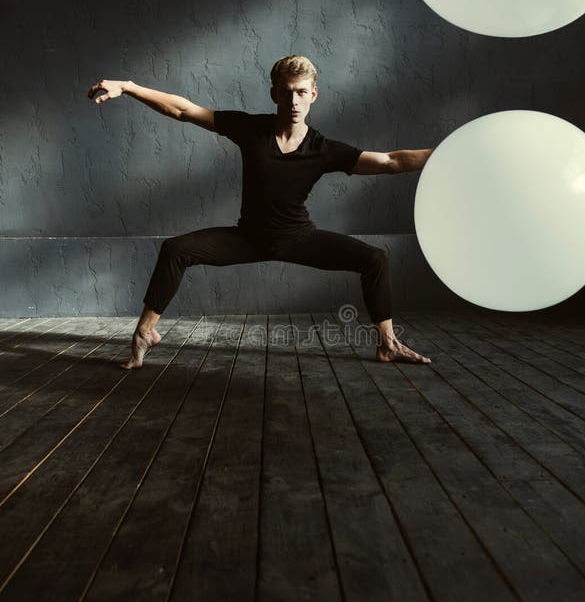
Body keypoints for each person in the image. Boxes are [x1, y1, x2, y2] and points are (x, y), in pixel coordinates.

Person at [88, 55, 433, 368]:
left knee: (374, 259)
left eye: (301, 92)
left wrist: (445, 153)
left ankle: (387, 344)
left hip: (299, 238)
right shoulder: (251, 130)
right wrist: (128, 87)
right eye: (287, 93)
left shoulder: (324, 150)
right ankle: (145, 332)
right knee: (176, 249)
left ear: (314, 94)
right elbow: (184, 110)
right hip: (248, 238)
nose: (294, 101)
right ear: (274, 95)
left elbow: (390, 161)